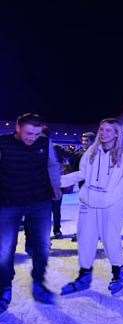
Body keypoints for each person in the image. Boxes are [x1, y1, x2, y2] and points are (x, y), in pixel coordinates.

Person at [60, 118, 123, 295]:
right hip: (88, 203)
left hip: (111, 205)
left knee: (110, 240)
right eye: (101, 129)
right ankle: (84, 276)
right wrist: (58, 181)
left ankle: (119, 274)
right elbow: (82, 173)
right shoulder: (92, 151)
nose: (103, 133)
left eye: (108, 130)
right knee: (85, 240)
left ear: (117, 133)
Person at [0, 113, 61, 313]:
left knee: (42, 246)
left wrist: (56, 186)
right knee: (4, 249)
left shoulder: (45, 142)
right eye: (28, 133)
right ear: (17, 127)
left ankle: (38, 284)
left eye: (36, 134)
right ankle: (4, 288)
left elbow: (52, 165)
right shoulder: (3, 143)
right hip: (9, 202)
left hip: (40, 202)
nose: (32, 138)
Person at [70, 132, 96, 242]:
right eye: (83, 140)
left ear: (92, 141)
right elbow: (74, 168)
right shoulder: (79, 152)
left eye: (87, 141)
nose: (84, 142)